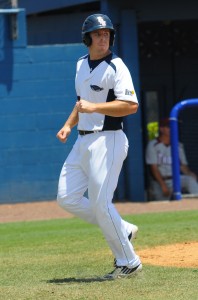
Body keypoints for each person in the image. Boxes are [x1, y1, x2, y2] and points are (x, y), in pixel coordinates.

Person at [56, 13, 142, 279]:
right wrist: (69, 124)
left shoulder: (117, 67)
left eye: (107, 34)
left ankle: (129, 261)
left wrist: (94, 107)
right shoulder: (81, 64)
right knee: (66, 198)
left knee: (101, 203)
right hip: (82, 140)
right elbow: (82, 102)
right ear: (87, 38)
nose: (103, 38)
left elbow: (131, 105)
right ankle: (123, 227)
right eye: (98, 34)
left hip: (109, 140)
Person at [145, 118, 198, 200]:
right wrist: (163, 185)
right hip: (160, 181)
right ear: (161, 129)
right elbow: (154, 168)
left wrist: (191, 175)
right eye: (169, 127)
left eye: (174, 126)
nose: (172, 128)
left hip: (176, 179)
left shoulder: (179, 145)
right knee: (161, 207)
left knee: (190, 180)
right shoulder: (153, 145)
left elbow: (183, 166)